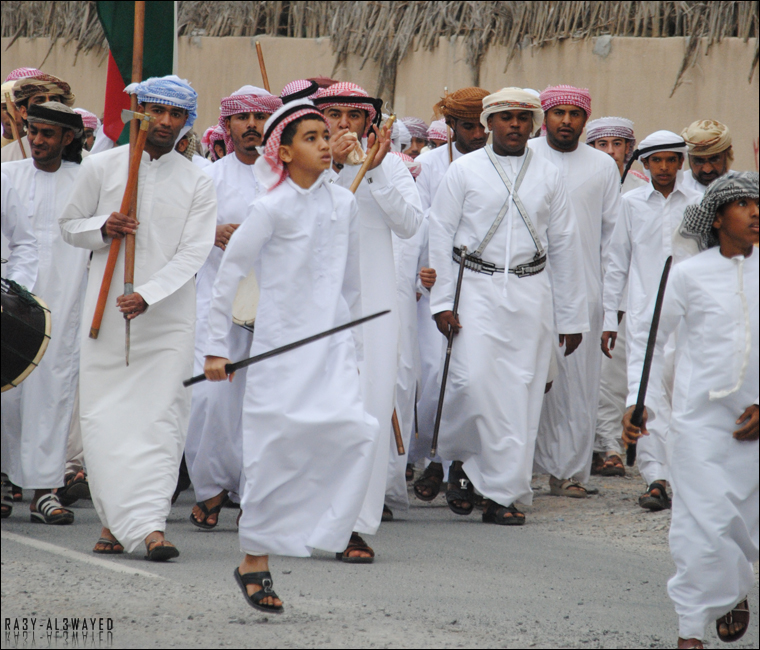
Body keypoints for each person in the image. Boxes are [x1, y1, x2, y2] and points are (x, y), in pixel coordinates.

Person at [203, 100, 378, 612]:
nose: (327, 143)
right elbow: (228, 278)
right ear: (283, 151)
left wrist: (355, 346)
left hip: (333, 346)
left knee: (351, 430)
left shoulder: (344, 204)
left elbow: (351, 285)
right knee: (271, 452)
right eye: (312, 137)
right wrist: (216, 347)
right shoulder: (269, 208)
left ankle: (321, 528)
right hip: (279, 348)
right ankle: (254, 559)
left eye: (327, 136)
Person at [59, 75, 216, 559]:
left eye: (176, 115)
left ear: (187, 122)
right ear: (138, 113)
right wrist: (103, 227)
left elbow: (195, 251)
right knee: (107, 420)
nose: (165, 123)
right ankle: (112, 522)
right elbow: (69, 225)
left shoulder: (198, 179)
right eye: (156, 112)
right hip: (105, 317)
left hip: (167, 318)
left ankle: (149, 525)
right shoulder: (103, 167)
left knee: (161, 419)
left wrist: (148, 293)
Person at [428, 88, 587, 525]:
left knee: (521, 395)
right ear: (489, 123)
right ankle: (464, 459)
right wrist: (442, 301)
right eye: (505, 117)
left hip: (530, 292)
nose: (515, 124)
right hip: (474, 290)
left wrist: (571, 317)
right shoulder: (463, 171)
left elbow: (566, 246)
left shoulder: (550, 174)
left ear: (533, 124)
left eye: (522, 117)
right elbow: (439, 235)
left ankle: (504, 495)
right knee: (473, 382)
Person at [621, 171, 758, 650]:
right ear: (718, 218)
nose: (756, 211)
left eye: (758, 203)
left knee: (740, 524)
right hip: (699, 421)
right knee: (699, 521)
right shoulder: (688, 275)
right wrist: (638, 404)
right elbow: (652, 341)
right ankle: (690, 628)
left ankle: (733, 588)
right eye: (742, 203)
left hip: (754, 427)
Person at [314, 81, 423, 558]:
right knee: (319, 408)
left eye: (352, 115)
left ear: (368, 123)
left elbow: (410, 224)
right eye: (332, 114)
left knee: (371, 406)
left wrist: (373, 173)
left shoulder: (394, 168)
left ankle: (352, 523)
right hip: (318, 304)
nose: (342, 124)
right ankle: (309, 511)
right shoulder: (303, 163)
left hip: (375, 306)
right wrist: (338, 167)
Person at [185, 86, 281, 530]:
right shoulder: (207, 177)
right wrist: (213, 233)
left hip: (273, 302)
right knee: (210, 398)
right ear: (227, 126)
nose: (252, 127)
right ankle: (210, 487)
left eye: (260, 118)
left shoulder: (283, 176)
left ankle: (253, 491)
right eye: (241, 118)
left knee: (260, 400)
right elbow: (180, 235)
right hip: (216, 302)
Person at [602, 131, 702, 510]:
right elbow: (616, 264)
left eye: (671, 160)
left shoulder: (698, 203)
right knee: (644, 394)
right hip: (645, 315)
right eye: (656, 160)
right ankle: (655, 478)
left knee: (685, 394)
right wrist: (610, 318)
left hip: (691, 318)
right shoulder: (629, 204)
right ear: (645, 164)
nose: (664, 167)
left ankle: (685, 478)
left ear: (681, 163)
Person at [531, 85, 621, 499]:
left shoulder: (603, 165)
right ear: (544, 117)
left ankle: (569, 473)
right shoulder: (526, 158)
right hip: (530, 286)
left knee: (578, 385)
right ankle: (521, 466)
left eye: (575, 114)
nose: (566, 120)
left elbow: (611, 238)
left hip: (585, 291)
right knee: (532, 379)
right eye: (558, 113)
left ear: (586, 120)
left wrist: (610, 304)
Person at [0, 102, 88, 526]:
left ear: (67, 139)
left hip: (66, 302)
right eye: (33, 131)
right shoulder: (7, 175)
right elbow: (17, 241)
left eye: (47, 134)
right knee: (7, 392)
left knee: (53, 392)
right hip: (12, 302)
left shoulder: (86, 179)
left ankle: (45, 491)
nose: (37, 140)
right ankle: (3, 480)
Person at [409, 87, 490, 506]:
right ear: (450, 126)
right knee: (437, 376)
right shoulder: (427, 165)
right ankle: (434, 461)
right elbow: (419, 224)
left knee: (472, 379)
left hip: (485, 285)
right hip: (435, 285)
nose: (478, 134)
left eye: (483, 125)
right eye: (468, 126)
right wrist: (421, 273)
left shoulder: (500, 165)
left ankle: (461, 467)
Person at [585, 116, 648, 477]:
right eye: (602, 144)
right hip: (585, 288)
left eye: (617, 144)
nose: (610, 152)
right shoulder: (582, 182)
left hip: (626, 295)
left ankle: (610, 446)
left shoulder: (641, 188)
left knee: (614, 375)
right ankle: (588, 446)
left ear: (630, 148)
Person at [2, 73, 76, 163]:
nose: (48, 106)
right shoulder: (5, 158)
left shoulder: (82, 159)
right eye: (39, 101)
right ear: (24, 112)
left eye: (54, 100)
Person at [680, 120, 733, 194]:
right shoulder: (676, 188)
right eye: (699, 161)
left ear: (727, 155)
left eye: (714, 159)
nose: (707, 170)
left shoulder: (744, 188)